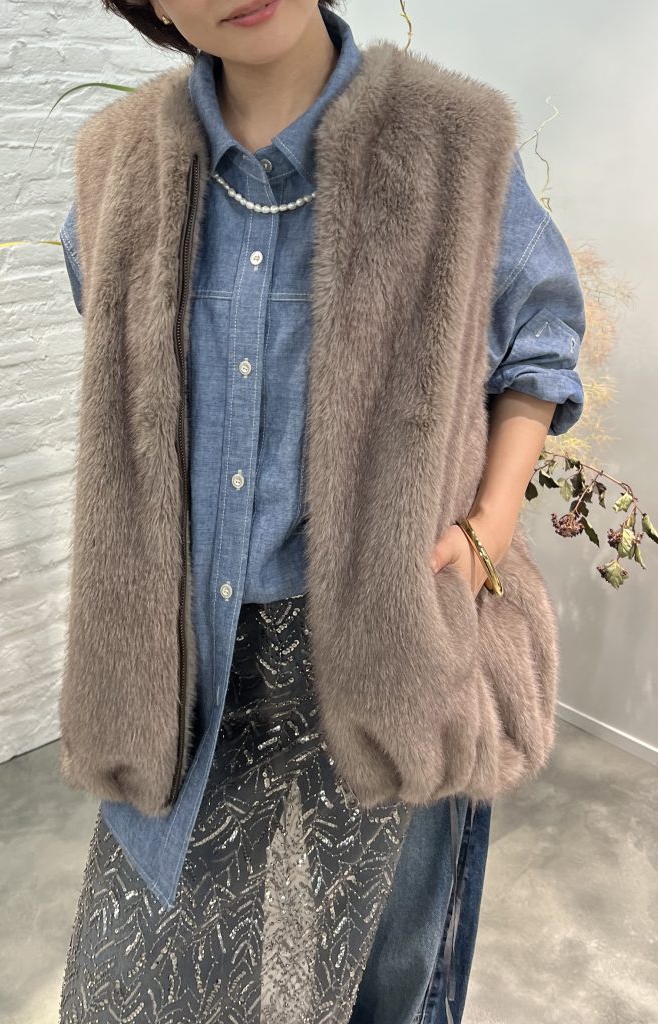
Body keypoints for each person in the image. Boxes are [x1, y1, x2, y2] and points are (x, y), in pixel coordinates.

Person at [55, 2, 586, 1022]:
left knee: (385, 983)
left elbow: (539, 341)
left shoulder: (454, 140)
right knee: (138, 988)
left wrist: (489, 523)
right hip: (186, 661)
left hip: (395, 644)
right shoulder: (119, 163)